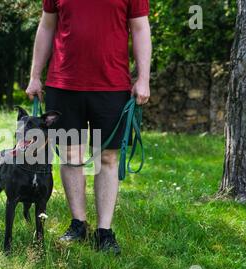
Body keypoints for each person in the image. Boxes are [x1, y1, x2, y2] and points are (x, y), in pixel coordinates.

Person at [26, 0, 152, 254]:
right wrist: (35, 76)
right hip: (63, 85)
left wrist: (143, 78)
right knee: (71, 156)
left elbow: (140, 28)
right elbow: (47, 26)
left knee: (106, 157)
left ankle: (104, 232)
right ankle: (78, 224)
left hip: (112, 85)